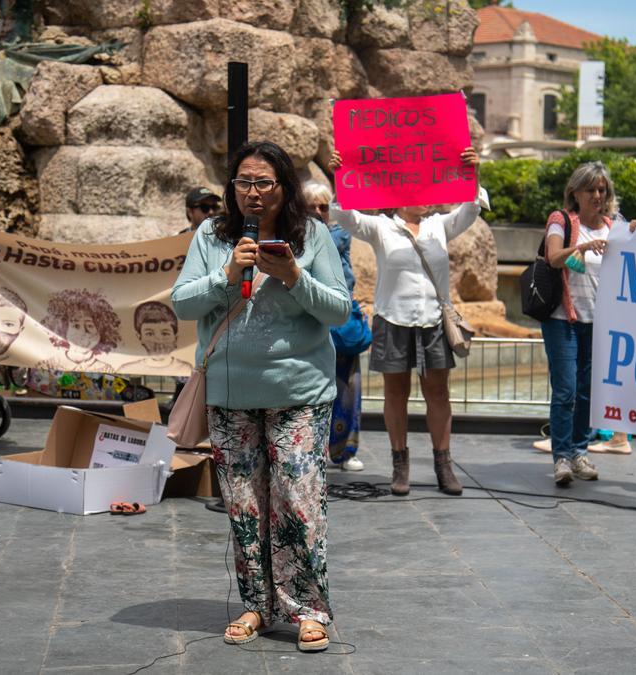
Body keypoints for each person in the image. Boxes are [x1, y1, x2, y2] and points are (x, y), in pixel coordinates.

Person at [172, 141, 349, 650]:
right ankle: (256, 604)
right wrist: (226, 275)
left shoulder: (311, 235)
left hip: (299, 391)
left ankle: (307, 608)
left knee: (297, 499)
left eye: (263, 183)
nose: (252, 193)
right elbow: (183, 304)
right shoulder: (211, 235)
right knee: (244, 507)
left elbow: (338, 311)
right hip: (230, 394)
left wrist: (295, 277)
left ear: (283, 188)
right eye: (243, 183)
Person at [328, 148, 482, 497]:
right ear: (402, 194)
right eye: (422, 190)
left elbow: (470, 210)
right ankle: (400, 464)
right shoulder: (382, 226)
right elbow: (345, 216)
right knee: (396, 393)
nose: (429, 197)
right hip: (393, 318)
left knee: (438, 393)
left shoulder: (439, 225)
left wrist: (474, 171)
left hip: (432, 320)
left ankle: (444, 464)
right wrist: (341, 177)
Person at [541, 161, 628, 486]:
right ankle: (562, 456)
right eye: (590, 189)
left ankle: (579, 451)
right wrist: (582, 246)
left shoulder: (614, 225)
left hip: (598, 323)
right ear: (574, 192)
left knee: (589, 391)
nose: (597, 195)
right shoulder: (561, 220)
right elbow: (553, 257)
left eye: (602, 189)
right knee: (566, 390)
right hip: (563, 319)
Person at [303, 180, 364, 472]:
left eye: (323, 206)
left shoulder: (338, 234)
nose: (317, 211)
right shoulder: (297, 235)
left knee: (347, 386)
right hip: (310, 319)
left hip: (338, 320)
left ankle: (344, 450)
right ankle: (314, 447)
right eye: (311, 206)